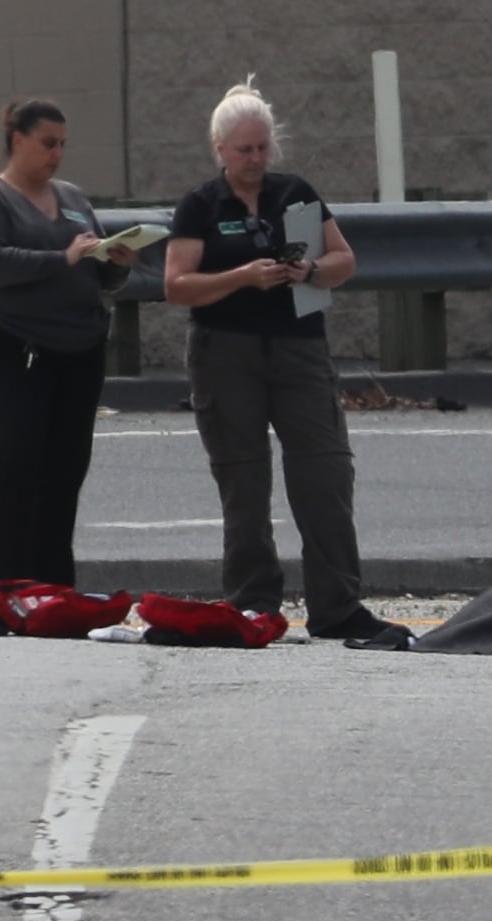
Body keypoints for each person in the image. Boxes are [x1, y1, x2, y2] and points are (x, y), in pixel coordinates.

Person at [163, 78, 398, 647]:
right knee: (244, 479)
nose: (255, 159)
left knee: (324, 472)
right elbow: (176, 285)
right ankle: (251, 603)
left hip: (298, 348)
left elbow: (343, 258)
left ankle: (337, 605)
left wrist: (309, 272)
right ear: (220, 149)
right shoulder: (200, 205)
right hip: (226, 352)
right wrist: (243, 276)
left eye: (263, 147)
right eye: (243, 150)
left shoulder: (295, 193)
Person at [0, 95, 127, 620]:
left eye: (63, 145)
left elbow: (98, 274)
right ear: (18, 141)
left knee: (66, 468)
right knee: (18, 467)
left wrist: (115, 261)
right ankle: (2, 593)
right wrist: (63, 256)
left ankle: (56, 588)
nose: (57, 154)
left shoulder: (73, 198)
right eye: (48, 143)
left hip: (80, 348)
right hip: (19, 349)